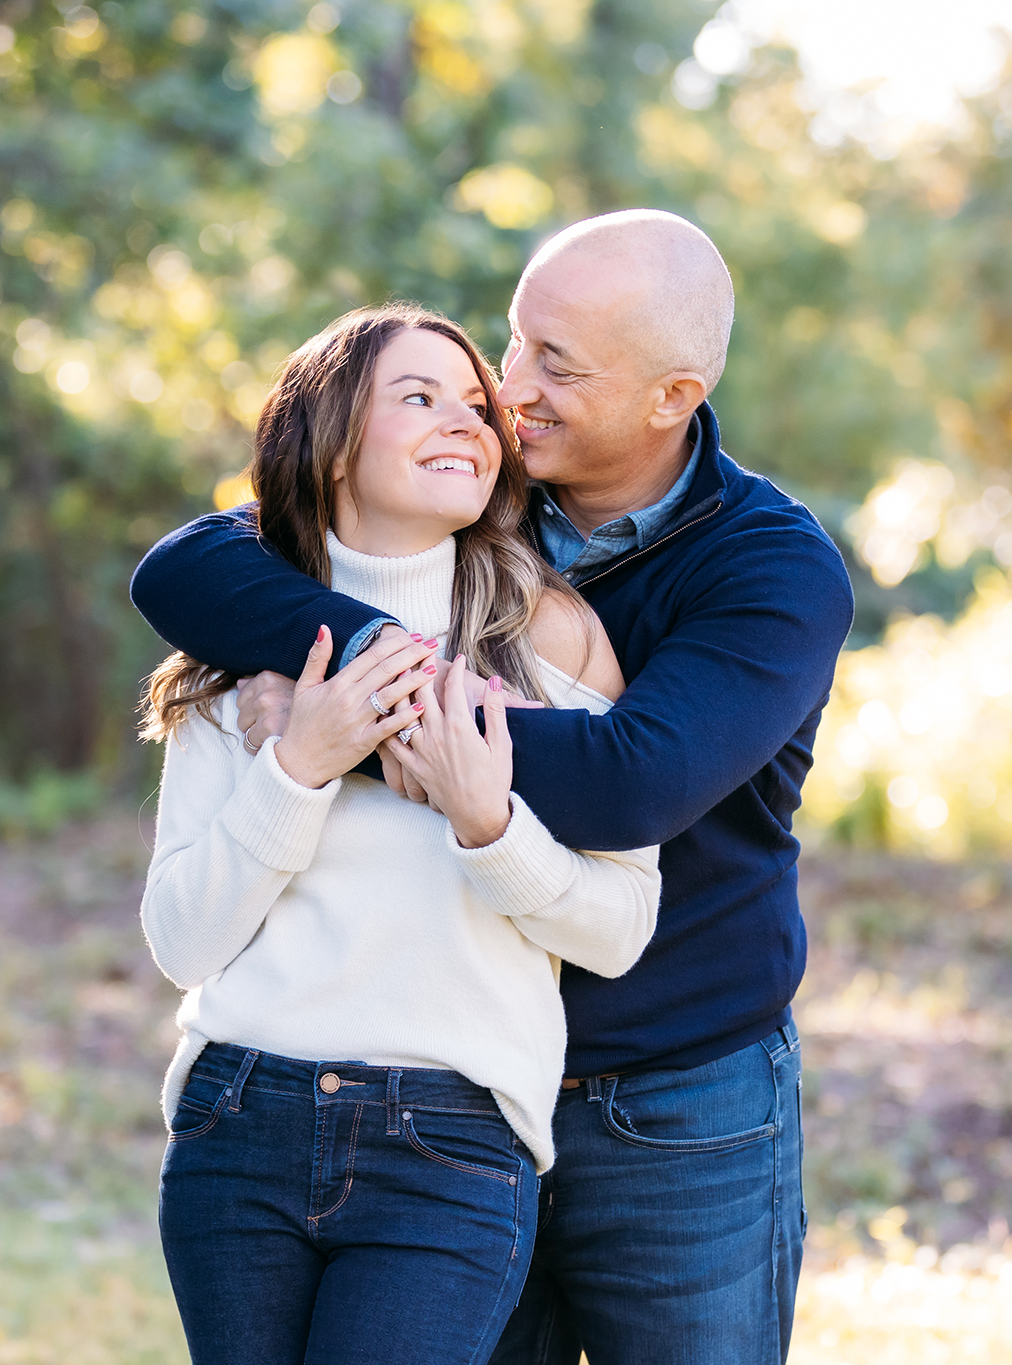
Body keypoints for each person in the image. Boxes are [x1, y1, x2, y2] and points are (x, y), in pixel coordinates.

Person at [131, 211, 855, 1364]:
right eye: (514, 344)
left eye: (555, 364)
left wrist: (349, 728)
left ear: (669, 398)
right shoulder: (467, 492)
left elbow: (632, 782)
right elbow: (187, 567)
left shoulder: (769, 568)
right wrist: (353, 701)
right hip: (443, 1093)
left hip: (671, 1095)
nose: (508, 387)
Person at [137, 302, 661, 1365]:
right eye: (417, 398)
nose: (467, 421)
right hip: (240, 1116)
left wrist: (487, 825)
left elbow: (616, 930)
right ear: (326, 442)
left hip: (451, 1140)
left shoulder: (549, 645)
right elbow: (181, 945)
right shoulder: (236, 654)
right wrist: (301, 766)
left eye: (476, 404)